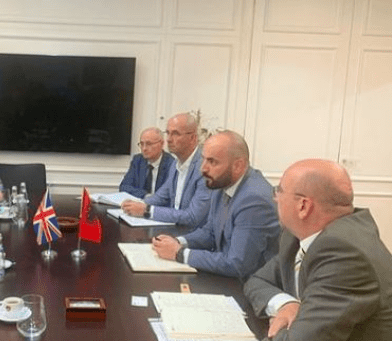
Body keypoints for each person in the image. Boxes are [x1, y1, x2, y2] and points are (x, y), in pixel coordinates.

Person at [243, 159, 392, 341]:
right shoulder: (297, 236)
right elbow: (258, 281)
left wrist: (280, 327)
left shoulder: (344, 253)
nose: (275, 198)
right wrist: (285, 304)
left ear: (303, 206)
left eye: (279, 190)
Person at [152, 130, 279, 280]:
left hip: (247, 284)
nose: (203, 169)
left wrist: (179, 253)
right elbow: (210, 233)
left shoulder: (254, 200)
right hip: (226, 277)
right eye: (203, 159)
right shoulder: (222, 182)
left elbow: (237, 265)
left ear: (238, 166)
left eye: (212, 162)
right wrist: (178, 242)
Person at [121, 113, 211, 229]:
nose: (168, 139)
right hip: (174, 228)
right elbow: (161, 196)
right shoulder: (175, 164)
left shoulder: (205, 168)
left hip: (194, 233)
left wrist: (147, 210)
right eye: (168, 133)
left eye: (175, 134)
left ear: (192, 138)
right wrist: (137, 205)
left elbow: (193, 217)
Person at [119, 127, 174, 199]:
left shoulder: (171, 164)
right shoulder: (138, 160)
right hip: (138, 203)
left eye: (149, 144)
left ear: (161, 144)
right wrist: (146, 196)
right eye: (142, 144)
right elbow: (124, 187)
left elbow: (168, 195)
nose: (144, 148)